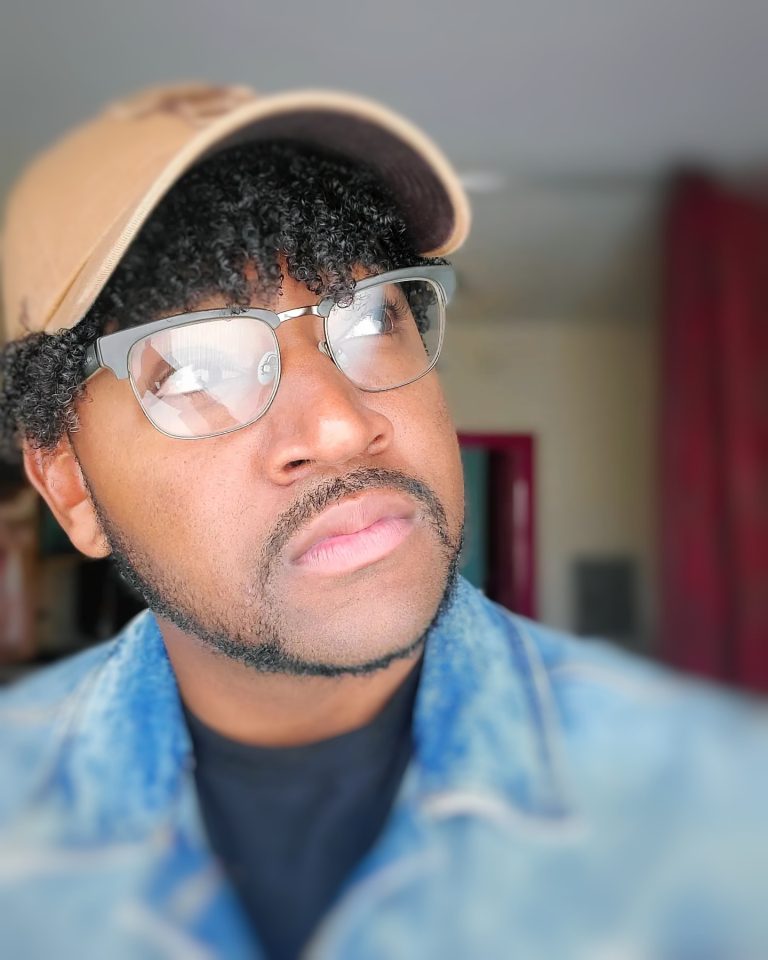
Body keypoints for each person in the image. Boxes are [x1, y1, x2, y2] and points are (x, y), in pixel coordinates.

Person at [0, 82, 766, 960]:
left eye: (369, 318)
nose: (339, 423)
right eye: (195, 370)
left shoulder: (712, 804)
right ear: (69, 488)